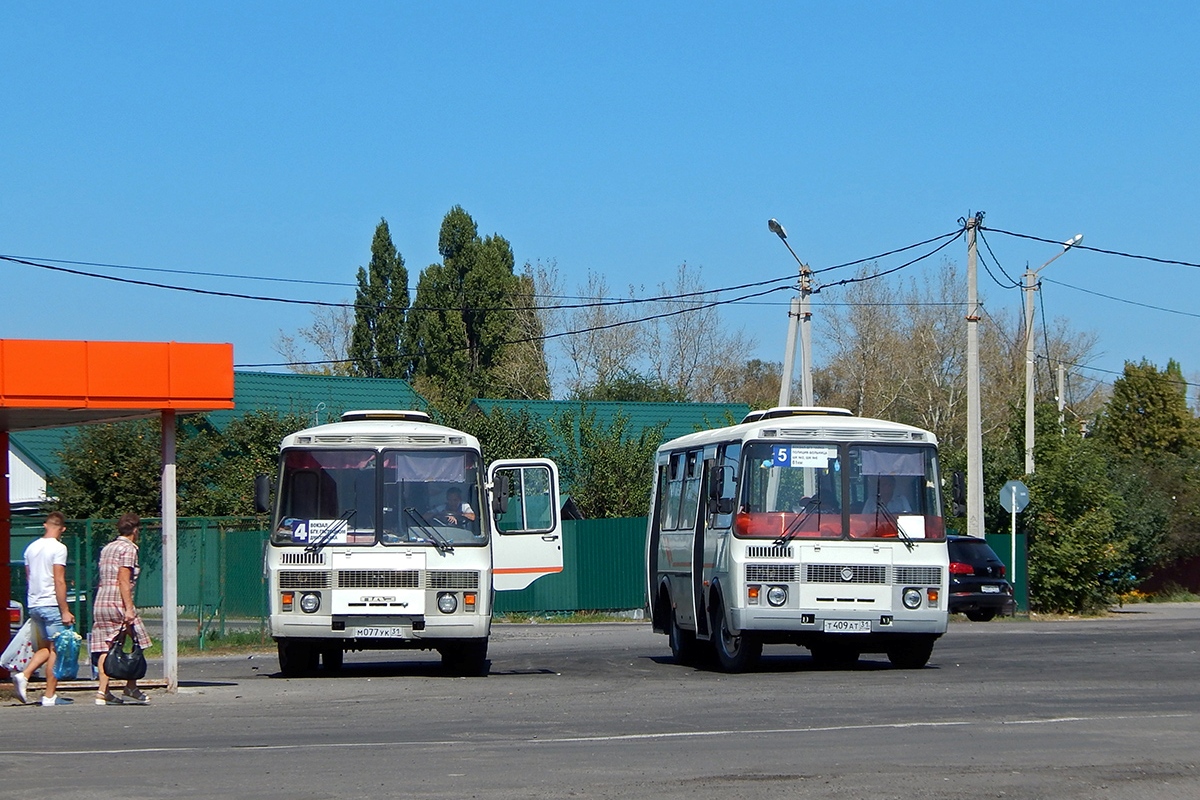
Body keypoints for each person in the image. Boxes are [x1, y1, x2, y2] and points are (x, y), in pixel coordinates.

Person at [11, 512, 76, 705]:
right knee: (57, 649)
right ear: (62, 529)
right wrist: (65, 609)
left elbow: (29, 576)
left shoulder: (31, 548)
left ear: (45, 525)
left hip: (35, 603)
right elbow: (59, 579)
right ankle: (49, 695)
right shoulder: (59, 548)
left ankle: (25, 675)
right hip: (51, 603)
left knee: (46, 648)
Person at [90, 513, 152, 705]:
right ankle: (131, 687)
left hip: (101, 601)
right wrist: (129, 608)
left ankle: (103, 692)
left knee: (105, 647)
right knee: (139, 640)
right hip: (118, 601)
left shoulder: (107, 548)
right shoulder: (128, 549)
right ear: (135, 530)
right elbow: (123, 581)